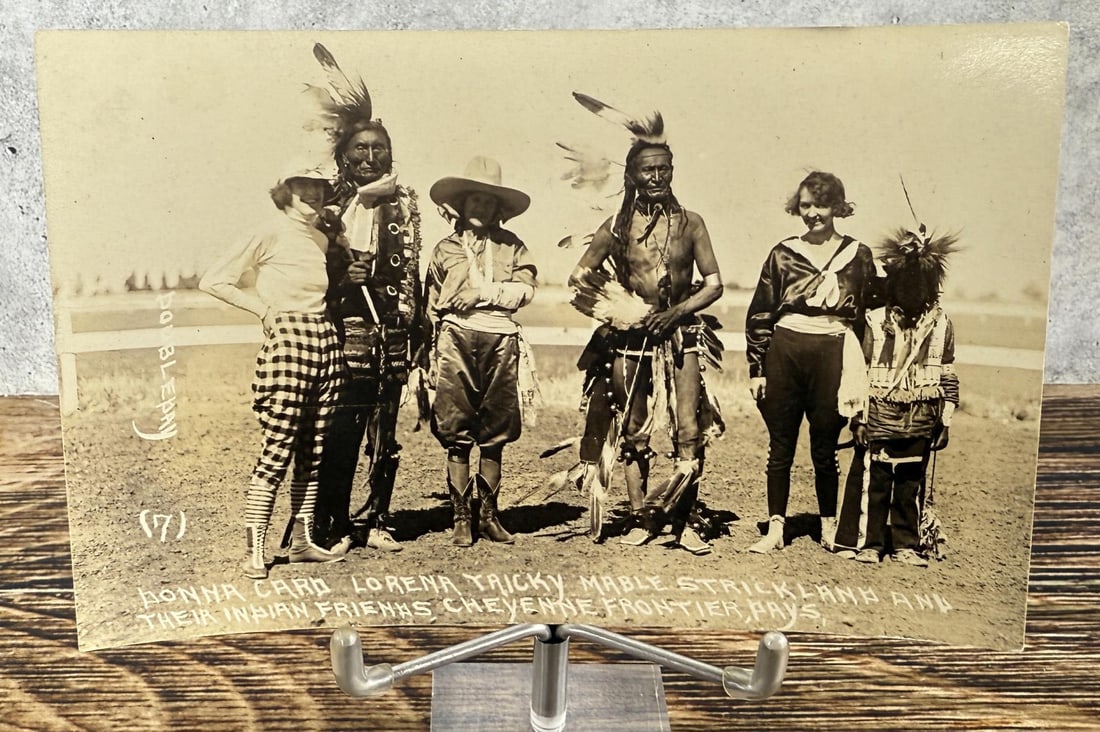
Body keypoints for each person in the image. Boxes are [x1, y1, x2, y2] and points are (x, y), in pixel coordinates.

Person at [569, 98, 724, 555]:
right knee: (635, 429)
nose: (656, 178)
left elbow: (713, 285)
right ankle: (641, 517)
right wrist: (619, 309)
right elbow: (579, 277)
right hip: (632, 340)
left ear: (672, 170)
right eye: (648, 171)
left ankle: (686, 519)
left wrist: (675, 313)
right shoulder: (617, 226)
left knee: (689, 428)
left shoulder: (691, 224)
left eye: (664, 169)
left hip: (682, 338)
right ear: (633, 176)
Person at [199, 164, 349, 579]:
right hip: (287, 341)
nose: (314, 195)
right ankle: (256, 553)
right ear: (286, 191)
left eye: (320, 188)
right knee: (277, 451)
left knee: (313, 449)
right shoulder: (269, 230)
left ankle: (301, 543)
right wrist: (264, 310)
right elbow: (214, 280)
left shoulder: (320, 239)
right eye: (304, 187)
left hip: (325, 341)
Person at [745, 171, 880, 553]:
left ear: (837, 206)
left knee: (824, 445)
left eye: (820, 205)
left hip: (833, 353)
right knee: (781, 445)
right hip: (785, 351)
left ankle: (829, 525)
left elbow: (876, 303)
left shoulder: (859, 255)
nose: (812, 214)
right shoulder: (783, 253)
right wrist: (757, 368)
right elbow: (760, 314)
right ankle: (775, 528)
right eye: (805, 205)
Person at [311, 118, 426, 553]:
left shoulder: (406, 202)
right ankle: (334, 523)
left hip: (393, 329)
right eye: (360, 149)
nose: (370, 157)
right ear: (343, 154)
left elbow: (410, 269)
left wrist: (416, 324)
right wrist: (344, 278)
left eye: (379, 148)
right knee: (343, 428)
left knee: (386, 429)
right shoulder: (329, 206)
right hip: (346, 330)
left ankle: (379, 519)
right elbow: (309, 272)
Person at [425, 156, 539, 547]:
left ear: (499, 209)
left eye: (488, 202)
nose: (481, 208)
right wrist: (427, 356)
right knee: (457, 432)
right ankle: (461, 517)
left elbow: (525, 291)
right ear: (462, 203)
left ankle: (488, 516)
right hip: (456, 339)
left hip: (501, 341)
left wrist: (485, 293)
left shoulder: (513, 247)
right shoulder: (444, 250)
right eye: (474, 200)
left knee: (494, 434)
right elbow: (431, 304)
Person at [833, 225, 960, 566]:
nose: (914, 290)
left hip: (922, 415)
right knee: (876, 478)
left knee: (910, 480)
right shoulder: (875, 322)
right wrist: (857, 418)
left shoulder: (941, 324)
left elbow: (947, 372)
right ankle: (869, 543)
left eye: (921, 282)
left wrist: (944, 420)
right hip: (879, 413)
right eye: (907, 281)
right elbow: (857, 373)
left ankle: (906, 543)